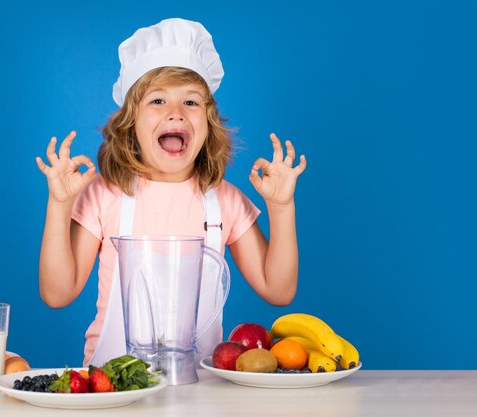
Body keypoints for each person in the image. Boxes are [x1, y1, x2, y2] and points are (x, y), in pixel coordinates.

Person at [36, 18, 307, 366]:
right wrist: (60, 204)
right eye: (158, 101)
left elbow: (279, 290)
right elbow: (57, 293)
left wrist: (281, 207)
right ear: (130, 122)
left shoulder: (223, 200)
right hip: (113, 386)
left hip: (202, 390)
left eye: (191, 103)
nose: (176, 113)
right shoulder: (105, 195)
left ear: (208, 124)